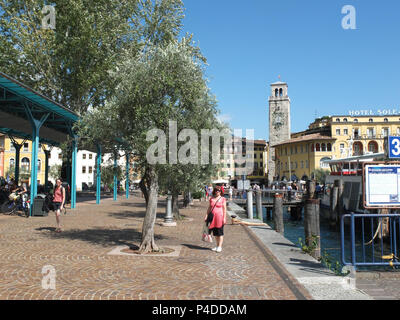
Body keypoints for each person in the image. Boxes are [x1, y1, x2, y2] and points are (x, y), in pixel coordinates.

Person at [204, 186, 227, 253]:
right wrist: (206, 215)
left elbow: (224, 209)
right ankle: (217, 246)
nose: (217, 191)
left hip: (219, 217)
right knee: (215, 233)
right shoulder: (212, 199)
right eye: (216, 190)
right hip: (212, 217)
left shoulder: (223, 199)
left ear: (221, 192)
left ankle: (220, 246)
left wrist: (224, 218)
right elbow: (209, 208)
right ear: (214, 191)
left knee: (220, 232)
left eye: (219, 190)